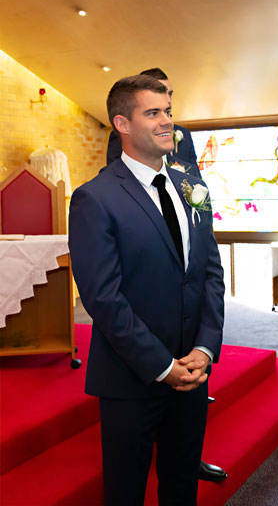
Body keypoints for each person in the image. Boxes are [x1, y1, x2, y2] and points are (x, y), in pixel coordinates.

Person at [68, 74, 225, 504]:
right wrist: (162, 365)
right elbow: (103, 298)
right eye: (152, 113)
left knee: (181, 487)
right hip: (132, 378)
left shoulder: (192, 190)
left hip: (192, 373)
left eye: (168, 112)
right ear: (122, 123)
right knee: (126, 493)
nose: (166, 122)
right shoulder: (94, 199)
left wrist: (205, 349)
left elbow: (210, 272)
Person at [107, 68, 201, 179]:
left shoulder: (183, 133)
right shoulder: (125, 132)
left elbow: (194, 172)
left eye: (169, 93)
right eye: (153, 113)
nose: (167, 99)